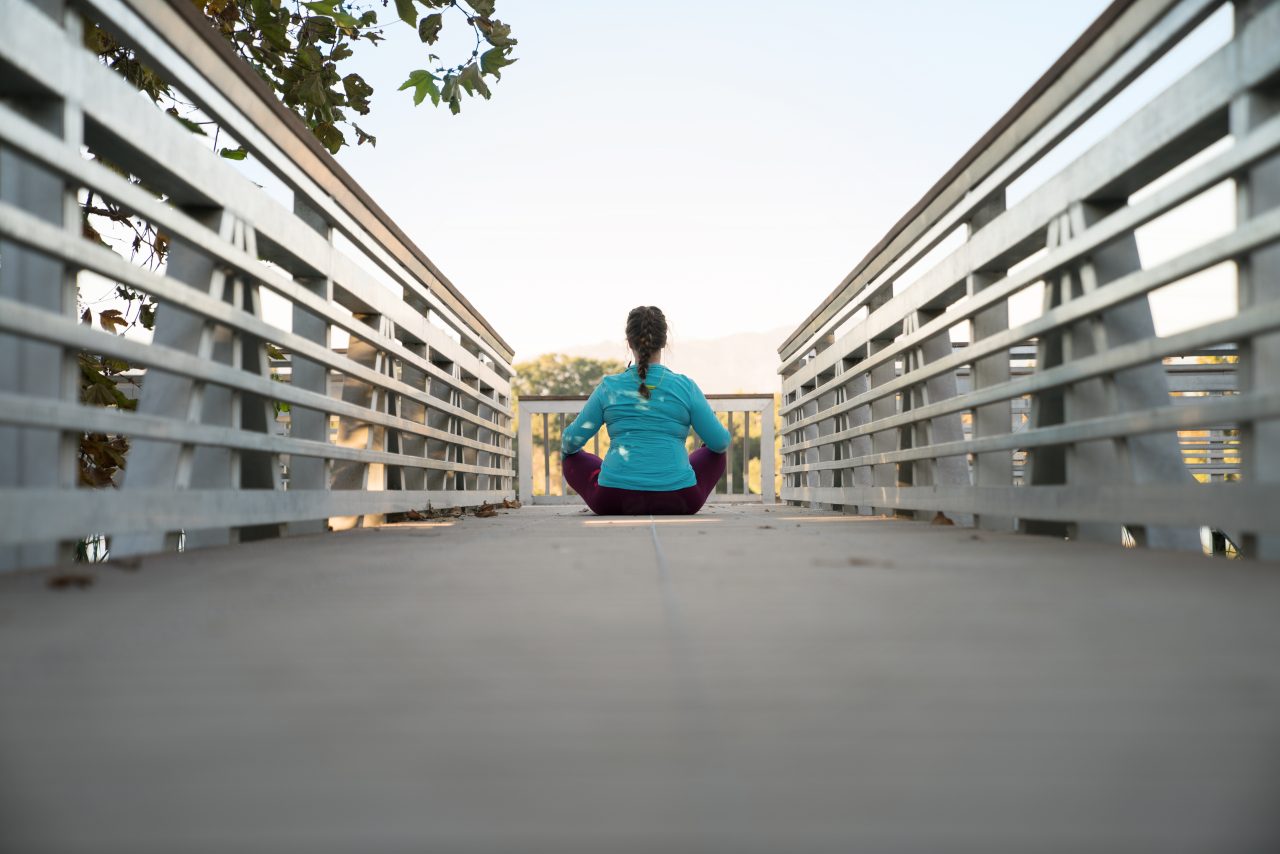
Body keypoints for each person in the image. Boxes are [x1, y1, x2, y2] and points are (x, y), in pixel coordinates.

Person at [560, 306, 731, 515]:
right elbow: (721, 442)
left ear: (629, 342)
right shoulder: (686, 387)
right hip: (680, 498)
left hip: (612, 498)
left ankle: (617, 475)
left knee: (571, 456)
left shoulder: (609, 387)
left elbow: (570, 442)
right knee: (715, 452)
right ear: (664, 342)